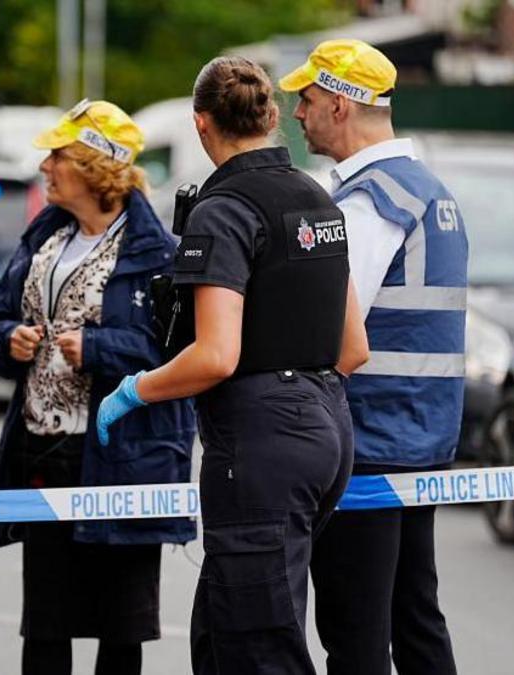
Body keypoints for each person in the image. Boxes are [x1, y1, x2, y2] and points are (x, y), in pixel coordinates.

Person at [95, 57, 370, 674]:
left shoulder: (222, 210)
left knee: (259, 648)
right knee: (221, 635)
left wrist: (136, 390)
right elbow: (353, 348)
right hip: (327, 427)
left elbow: (216, 355)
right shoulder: (317, 197)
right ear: (273, 117)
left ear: (201, 124)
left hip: (262, 440)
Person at [0, 100, 197, 675]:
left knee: (122, 627)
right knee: (45, 622)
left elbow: (181, 354)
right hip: (46, 450)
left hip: (125, 460)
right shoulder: (43, 240)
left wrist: (98, 349)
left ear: (96, 166)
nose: (45, 166)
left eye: (58, 155)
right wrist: (7, 340)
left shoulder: (158, 254)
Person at [279, 39, 468, 675]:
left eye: (306, 100)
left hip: (371, 443)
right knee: (414, 616)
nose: (297, 115)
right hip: (420, 438)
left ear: (340, 104)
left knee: (355, 630)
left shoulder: (370, 202)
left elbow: (328, 330)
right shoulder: (427, 191)